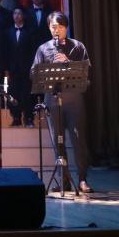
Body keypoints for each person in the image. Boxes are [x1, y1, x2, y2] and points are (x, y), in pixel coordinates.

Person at [31, 12, 93, 192]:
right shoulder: (43, 48)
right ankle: (63, 181)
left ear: (66, 28)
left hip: (74, 99)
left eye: (59, 27)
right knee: (57, 141)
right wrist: (47, 68)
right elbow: (33, 73)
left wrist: (68, 62)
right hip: (52, 98)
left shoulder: (78, 46)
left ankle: (82, 179)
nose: (56, 30)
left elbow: (86, 71)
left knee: (78, 139)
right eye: (53, 27)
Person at [4, 7, 37, 126]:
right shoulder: (7, 32)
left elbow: (34, 51)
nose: (17, 15)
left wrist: (34, 67)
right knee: (13, 93)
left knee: (28, 93)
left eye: (19, 13)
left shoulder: (31, 31)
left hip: (27, 68)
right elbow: (5, 52)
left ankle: (29, 118)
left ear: (24, 16)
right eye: (15, 13)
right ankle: (16, 117)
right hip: (13, 69)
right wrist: (6, 69)